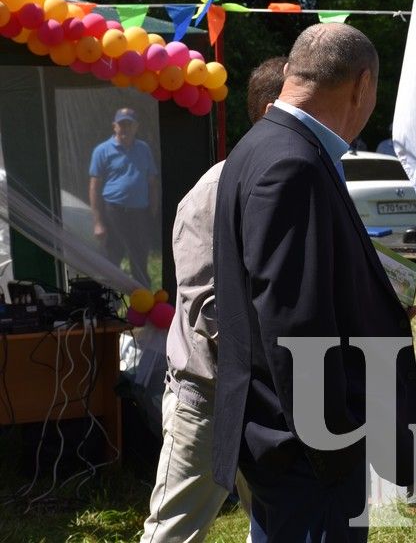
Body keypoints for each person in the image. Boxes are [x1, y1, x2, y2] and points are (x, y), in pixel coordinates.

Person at [213, 23, 416, 541]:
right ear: (363, 85)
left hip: (279, 433)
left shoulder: (262, 144)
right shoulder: (292, 161)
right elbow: (294, 320)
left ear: (289, 73)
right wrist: (334, 440)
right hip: (305, 446)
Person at [140, 58, 286, 542]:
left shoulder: (297, 181)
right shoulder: (215, 190)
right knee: (173, 533)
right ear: (271, 110)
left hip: (272, 398)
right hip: (208, 397)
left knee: (278, 524)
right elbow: (209, 309)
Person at [89, 108, 159, 287]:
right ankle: (110, 300)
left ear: (136, 127)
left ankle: (144, 302)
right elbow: (94, 187)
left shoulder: (143, 149)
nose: (125, 128)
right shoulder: (102, 150)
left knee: (140, 256)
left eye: (129, 124)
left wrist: (151, 211)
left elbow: (151, 182)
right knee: (113, 256)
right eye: (121, 124)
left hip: (139, 212)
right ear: (114, 126)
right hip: (113, 211)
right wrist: (98, 222)